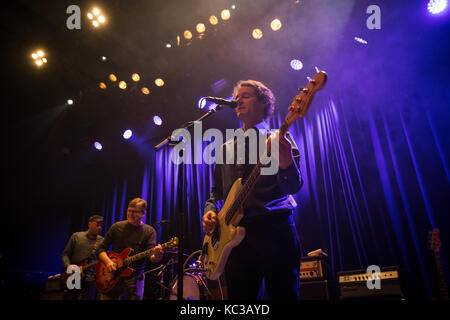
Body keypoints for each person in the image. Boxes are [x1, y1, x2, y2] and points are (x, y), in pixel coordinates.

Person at [202, 80, 303, 299]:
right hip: (234, 241)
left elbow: (293, 186)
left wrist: (286, 163)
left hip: (274, 230)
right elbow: (216, 192)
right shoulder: (225, 148)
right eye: (236, 97)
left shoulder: (279, 138)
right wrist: (210, 210)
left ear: (263, 103)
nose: (238, 100)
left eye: (245, 95)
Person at [97, 198, 163, 300]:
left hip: (135, 278)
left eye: (135, 212)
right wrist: (108, 262)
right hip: (112, 274)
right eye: (129, 211)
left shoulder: (149, 231)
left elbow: (151, 257)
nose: (131, 214)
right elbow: (101, 248)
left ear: (143, 213)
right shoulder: (117, 227)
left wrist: (157, 256)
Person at [61, 214, 104, 300]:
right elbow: (65, 255)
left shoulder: (102, 241)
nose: (99, 228)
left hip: (91, 279)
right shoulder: (76, 236)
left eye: (101, 226)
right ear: (89, 224)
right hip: (74, 275)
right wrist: (68, 266)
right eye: (97, 225)